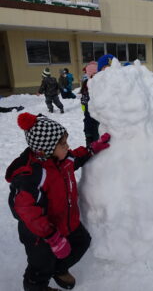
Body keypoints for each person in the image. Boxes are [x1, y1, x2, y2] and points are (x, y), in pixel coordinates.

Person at [5, 112, 111, 291]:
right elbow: (26, 210)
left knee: (82, 242)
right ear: (45, 148)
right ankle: (36, 286)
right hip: (40, 235)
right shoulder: (32, 176)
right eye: (62, 144)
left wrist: (92, 149)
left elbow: (75, 157)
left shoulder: (62, 159)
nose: (67, 147)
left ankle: (59, 268)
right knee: (41, 266)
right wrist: (51, 237)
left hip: (65, 222)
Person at [81, 60, 100, 146]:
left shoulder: (98, 84)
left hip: (96, 115)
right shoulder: (88, 84)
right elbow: (84, 100)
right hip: (90, 114)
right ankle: (90, 140)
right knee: (92, 125)